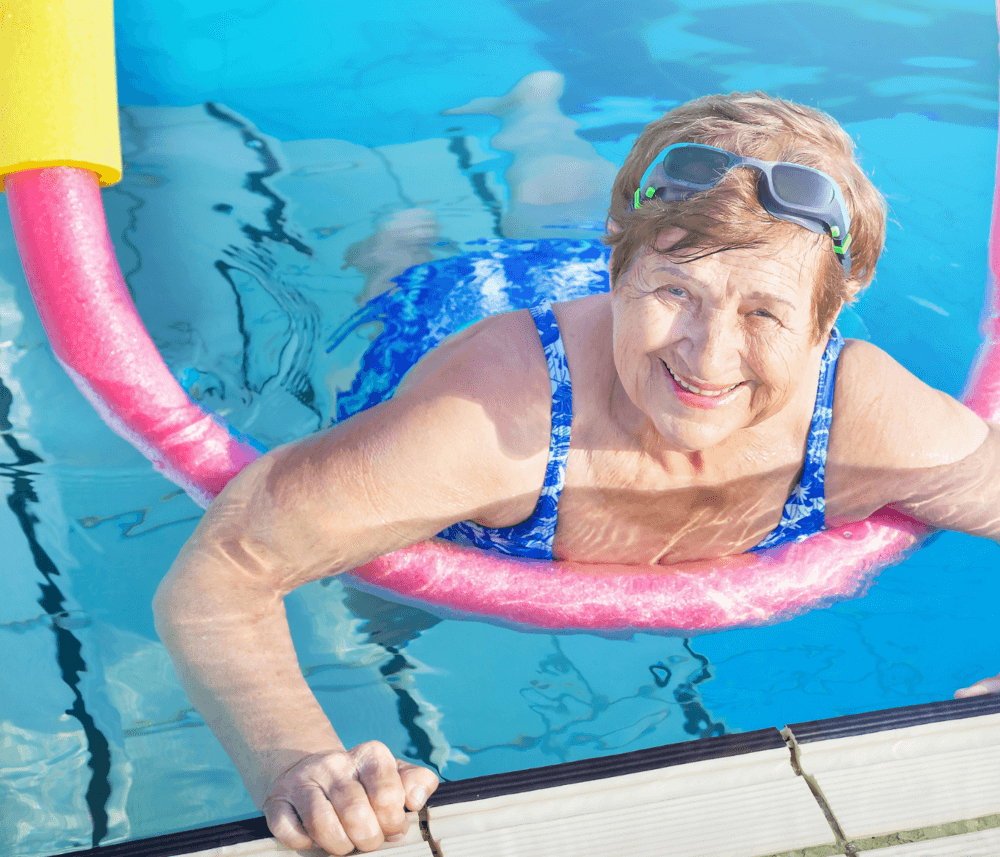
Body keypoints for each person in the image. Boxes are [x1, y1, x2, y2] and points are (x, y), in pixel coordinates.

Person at [153, 91, 1000, 855]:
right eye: (677, 292)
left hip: (610, 314)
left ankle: (537, 114)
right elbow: (222, 572)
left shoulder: (867, 418)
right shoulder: (484, 424)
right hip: (467, 329)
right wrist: (300, 759)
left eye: (765, 313)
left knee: (557, 198)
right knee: (404, 293)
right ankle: (401, 245)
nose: (709, 357)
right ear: (620, 261)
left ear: (830, 311)